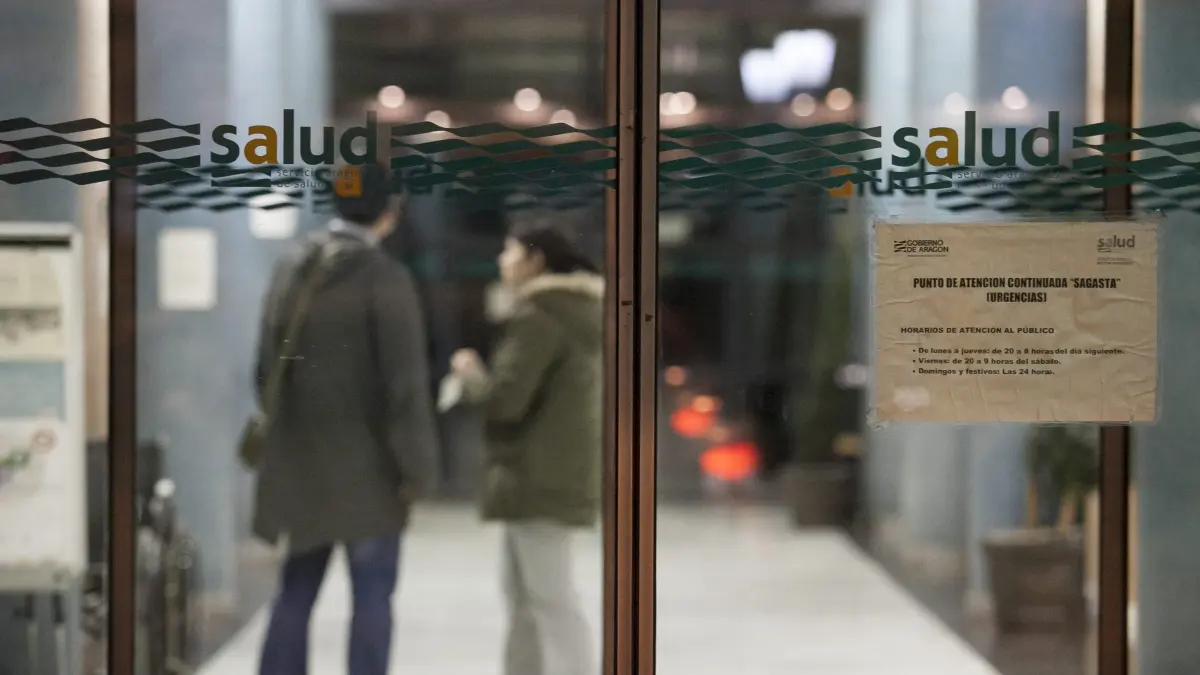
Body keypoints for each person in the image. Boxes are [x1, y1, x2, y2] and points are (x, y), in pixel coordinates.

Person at [250, 163, 438, 675]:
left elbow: (264, 369)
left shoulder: (294, 268)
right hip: (371, 471)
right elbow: (405, 387)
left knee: (295, 590)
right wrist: (417, 470)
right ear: (390, 212)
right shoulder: (385, 278)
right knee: (372, 594)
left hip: (303, 461)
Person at [450, 220, 603, 675]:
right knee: (527, 598)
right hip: (555, 470)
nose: (502, 261)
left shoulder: (541, 317)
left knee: (549, 599)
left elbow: (505, 401)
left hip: (536, 474)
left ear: (535, 261)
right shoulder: (577, 312)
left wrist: (470, 377)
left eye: (510, 252)